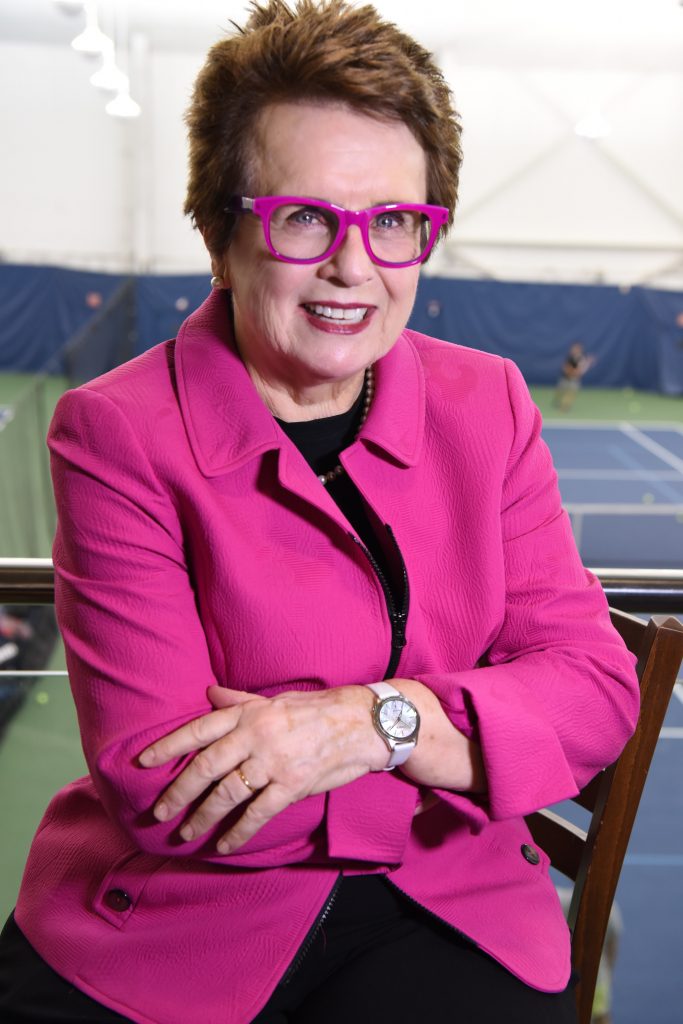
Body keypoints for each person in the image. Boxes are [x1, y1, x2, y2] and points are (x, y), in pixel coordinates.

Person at [0, 3, 639, 1022]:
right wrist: (466, 749)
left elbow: (596, 693)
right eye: (305, 217)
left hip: (448, 900)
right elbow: (161, 782)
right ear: (220, 231)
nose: (354, 266)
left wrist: (370, 726)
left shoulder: (489, 404)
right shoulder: (112, 428)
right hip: (184, 918)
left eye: (393, 221)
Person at [553, 341, 596, 411]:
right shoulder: (569, 357)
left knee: (571, 393)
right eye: (574, 348)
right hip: (565, 378)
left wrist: (587, 363)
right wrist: (572, 371)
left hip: (574, 380)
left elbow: (581, 370)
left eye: (577, 349)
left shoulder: (582, 358)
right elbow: (565, 368)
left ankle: (565, 406)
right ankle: (557, 401)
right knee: (560, 391)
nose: (574, 350)